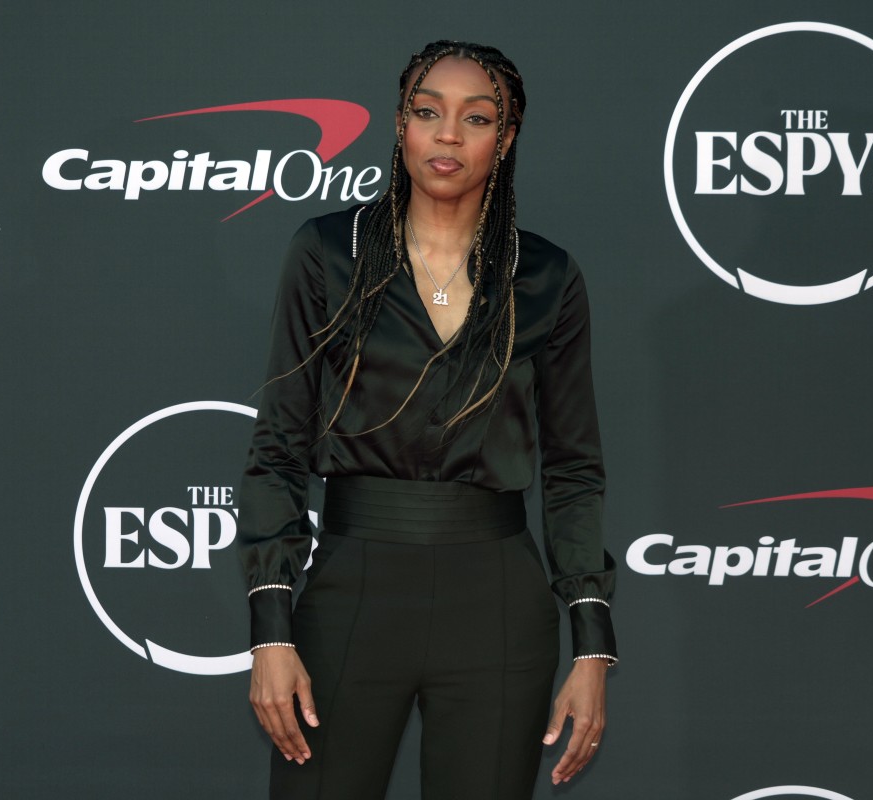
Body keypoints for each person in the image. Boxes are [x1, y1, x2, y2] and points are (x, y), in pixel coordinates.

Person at [238, 40, 618, 800]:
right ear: (400, 125)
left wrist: (592, 648)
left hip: (498, 602)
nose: (447, 135)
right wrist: (271, 633)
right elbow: (278, 447)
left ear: (505, 140)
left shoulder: (545, 277)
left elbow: (573, 469)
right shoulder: (325, 254)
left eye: (476, 118)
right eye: (427, 112)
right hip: (353, 586)